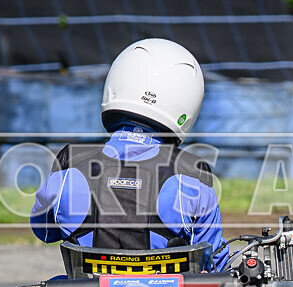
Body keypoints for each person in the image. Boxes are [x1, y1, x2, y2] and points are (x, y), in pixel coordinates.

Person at [30, 39, 228, 271]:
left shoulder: (70, 166)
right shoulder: (192, 177)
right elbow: (213, 263)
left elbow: (44, 232)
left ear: (116, 84)